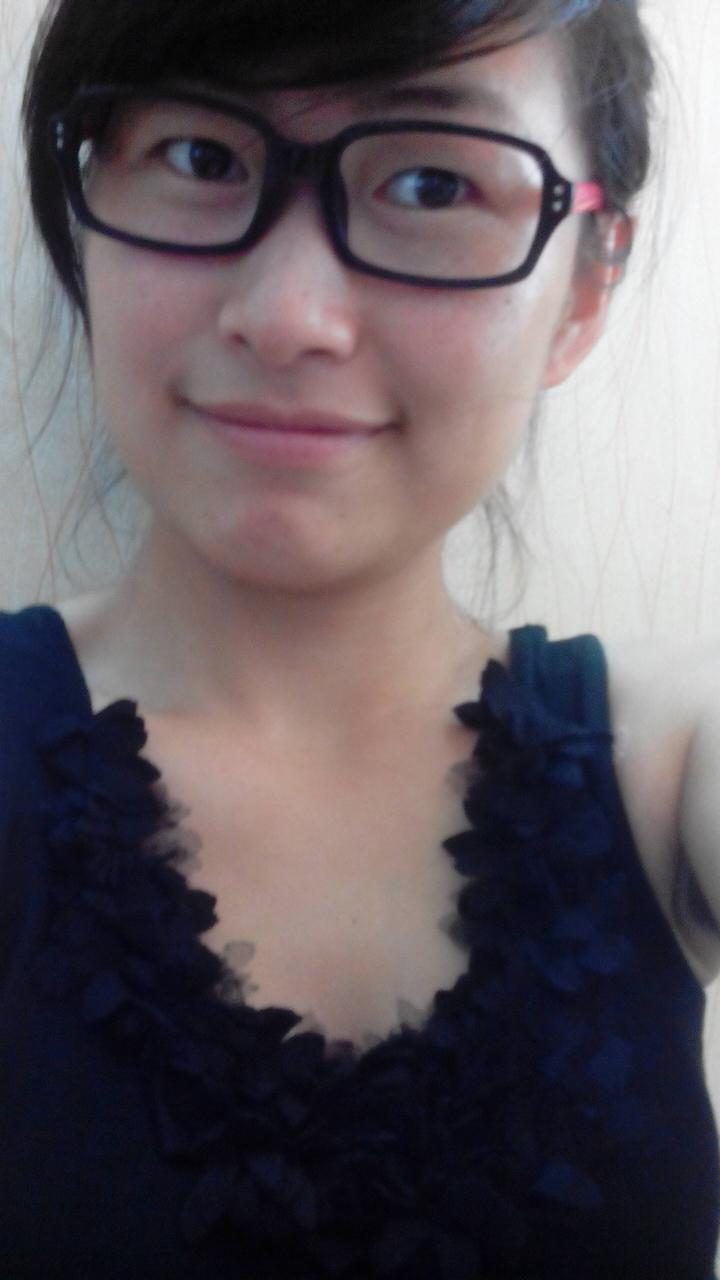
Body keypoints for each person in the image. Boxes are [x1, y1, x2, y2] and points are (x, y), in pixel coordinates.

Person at [1, 0, 718, 1275]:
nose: (288, 316)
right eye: (198, 156)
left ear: (584, 285)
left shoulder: (671, 763)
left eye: (434, 183)